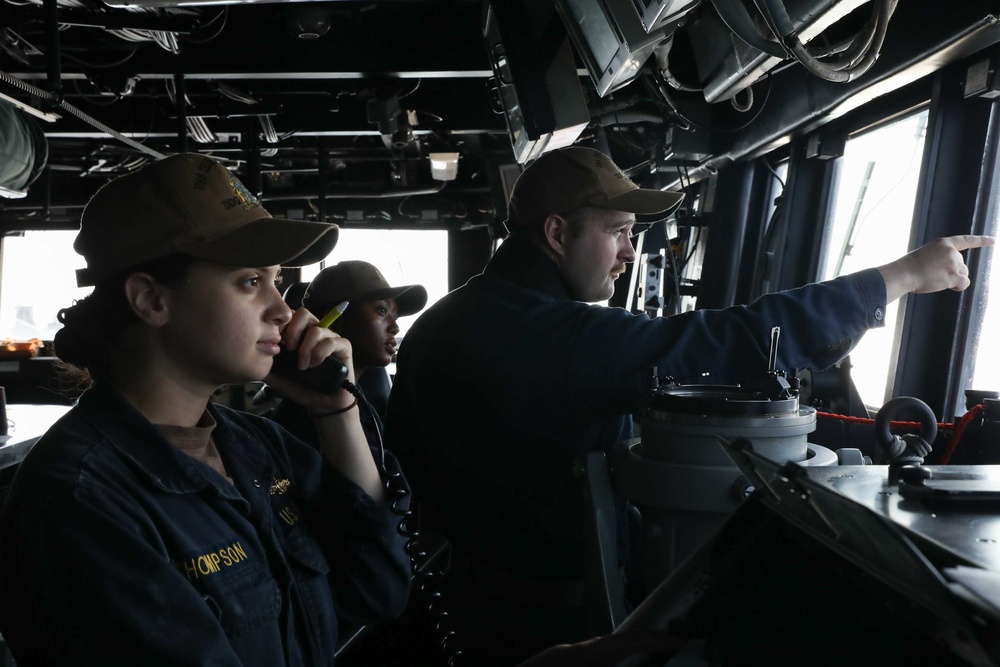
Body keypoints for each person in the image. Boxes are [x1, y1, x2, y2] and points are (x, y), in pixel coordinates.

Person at [383, 145, 995, 665]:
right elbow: (731, 343)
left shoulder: (450, 319)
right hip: (534, 624)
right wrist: (902, 277)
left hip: (465, 599)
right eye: (618, 232)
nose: (628, 254)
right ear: (556, 232)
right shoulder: (548, 335)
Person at [0, 153, 412, 666]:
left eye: (277, 281)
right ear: (152, 301)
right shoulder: (83, 500)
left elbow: (381, 592)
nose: (284, 310)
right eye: (249, 282)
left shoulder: (257, 446)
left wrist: (337, 412)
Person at [270, 260, 427, 452]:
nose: (395, 327)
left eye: (394, 316)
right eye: (382, 311)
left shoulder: (360, 402)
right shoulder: (308, 419)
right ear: (336, 320)